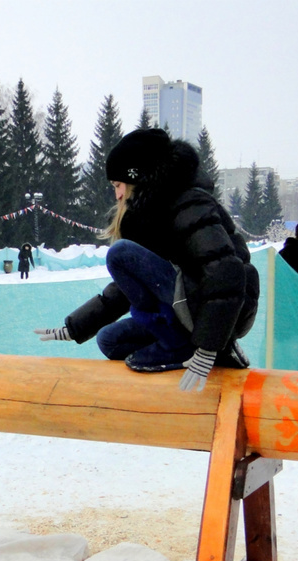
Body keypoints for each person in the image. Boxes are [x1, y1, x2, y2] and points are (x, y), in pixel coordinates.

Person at [34, 128, 259, 392]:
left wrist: (208, 348)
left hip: (215, 312)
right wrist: (75, 327)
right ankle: (183, 344)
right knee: (109, 341)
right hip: (189, 310)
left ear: (136, 178)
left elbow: (226, 273)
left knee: (120, 254)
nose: (117, 195)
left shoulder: (189, 205)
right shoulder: (155, 214)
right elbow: (128, 288)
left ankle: (181, 346)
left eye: (118, 185)